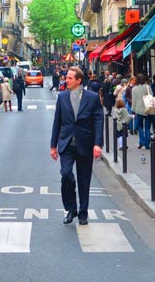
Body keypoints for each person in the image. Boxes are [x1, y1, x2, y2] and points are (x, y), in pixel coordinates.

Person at [50, 66, 103, 225]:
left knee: (84, 180)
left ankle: (83, 213)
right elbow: (57, 122)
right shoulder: (62, 97)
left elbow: (98, 121)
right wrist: (53, 146)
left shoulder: (92, 98)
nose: (66, 80)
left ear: (79, 80)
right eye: (66, 78)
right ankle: (70, 209)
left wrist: (98, 144)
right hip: (66, 143)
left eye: (69, 78)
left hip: (85, 143)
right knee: (66, 175)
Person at [131, 74, 153, 150]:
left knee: (140, 127)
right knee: (147, 128)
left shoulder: (134, 89)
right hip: (148, 109)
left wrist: (133, 110)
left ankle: (141, 142)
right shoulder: (148, 87)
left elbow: (133, 101)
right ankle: (147, 144)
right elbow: (152, 96)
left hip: (139, 110)